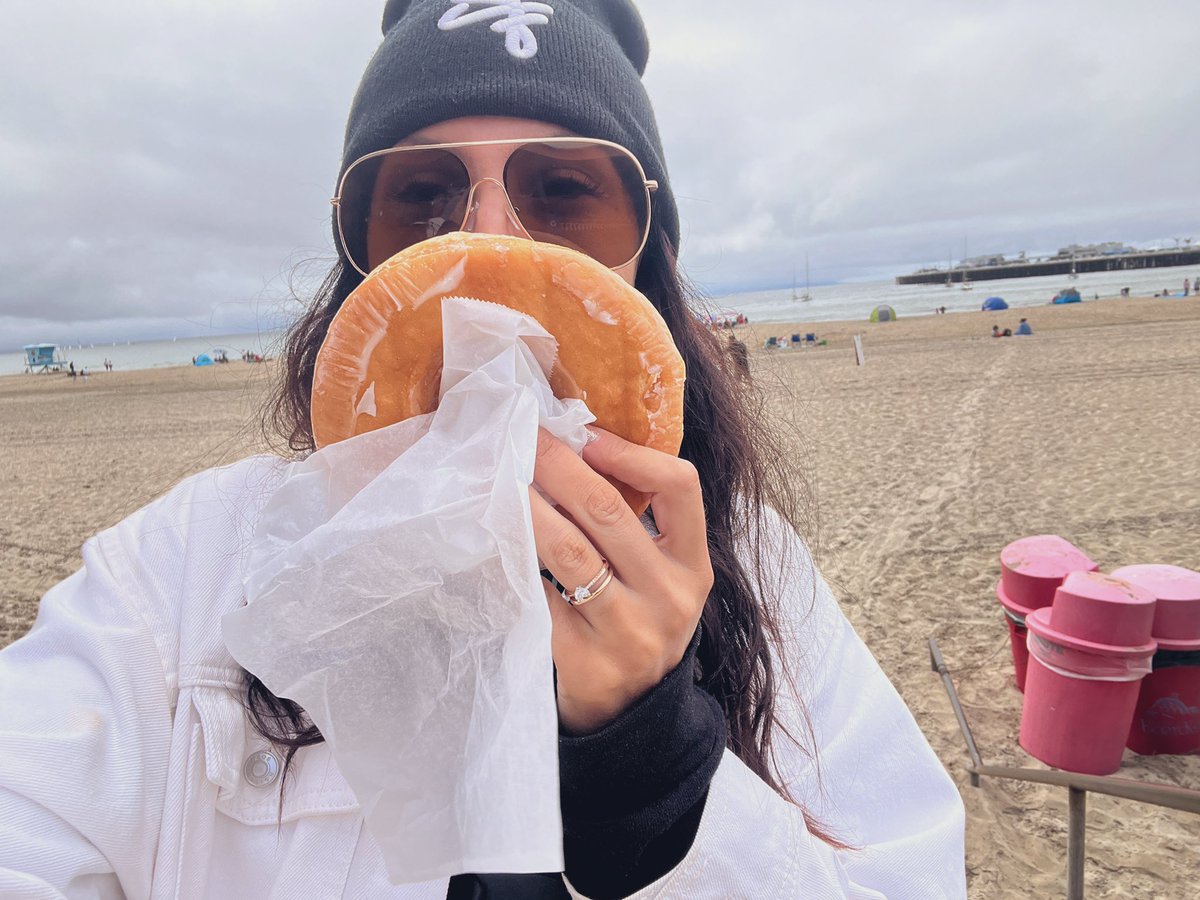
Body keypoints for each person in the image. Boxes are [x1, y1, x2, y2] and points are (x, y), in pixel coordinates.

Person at [0, 2, 965, 897]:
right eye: (421, 194)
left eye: (565, 192)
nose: (489, 243)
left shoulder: (756, 574)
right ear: (356, 258)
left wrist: (654, 776)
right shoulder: (181, 576)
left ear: (648, 254)